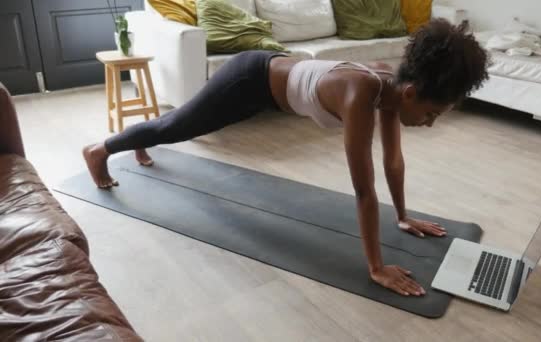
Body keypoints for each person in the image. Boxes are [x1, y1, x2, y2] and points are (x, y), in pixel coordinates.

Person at [83, 19, 489, 297]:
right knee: (179, 128)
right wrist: (377, 267)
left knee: (176, 124)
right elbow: (364, 190)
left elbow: (393, 162)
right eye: (432, 114)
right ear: (414, 94)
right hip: (248, 80)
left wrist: (402, 216)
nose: (431, 124)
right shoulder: (361, 94)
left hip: (269, 91)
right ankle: (100, 150)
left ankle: (141, 139)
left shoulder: (391, 89)